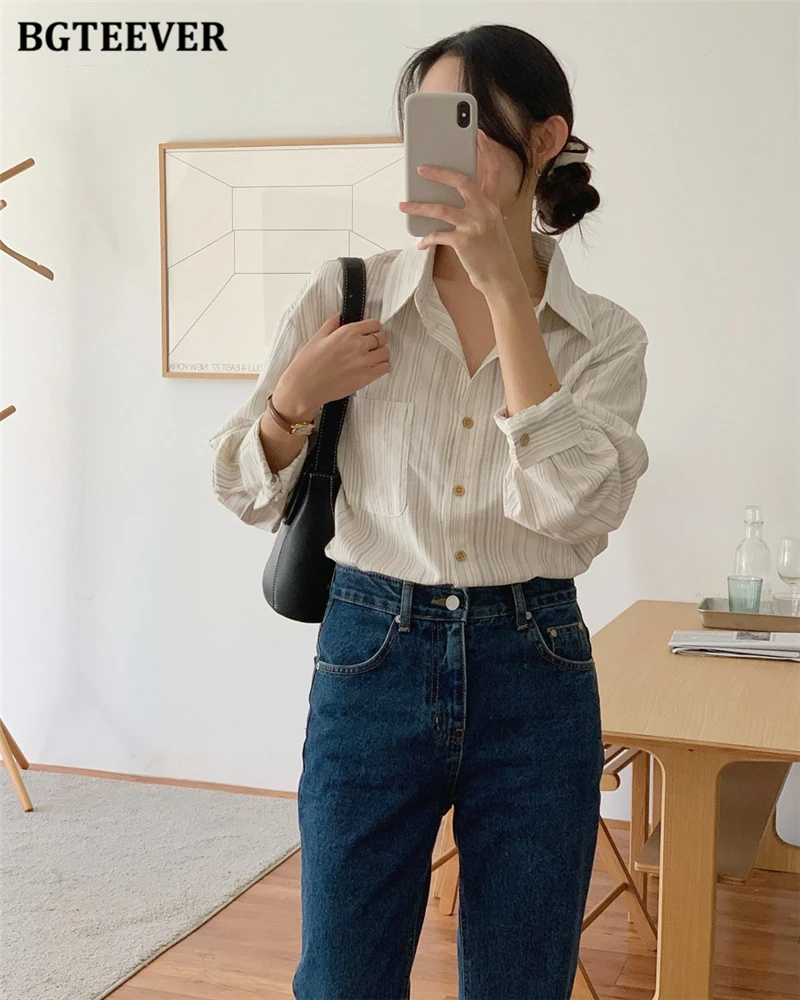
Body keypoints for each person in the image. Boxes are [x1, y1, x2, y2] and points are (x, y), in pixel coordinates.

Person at [208, 22, 649, 1000]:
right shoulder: (349, 294)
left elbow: (574, 513)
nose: (438, 142)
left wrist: (504, 294)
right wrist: (292, 400)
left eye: (466, 119)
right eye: (426, 120)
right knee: (343, 978)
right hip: (372, 651)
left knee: (520, 981)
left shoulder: (606, 338)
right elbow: (237, 485)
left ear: (544, 138)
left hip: (534, 666)